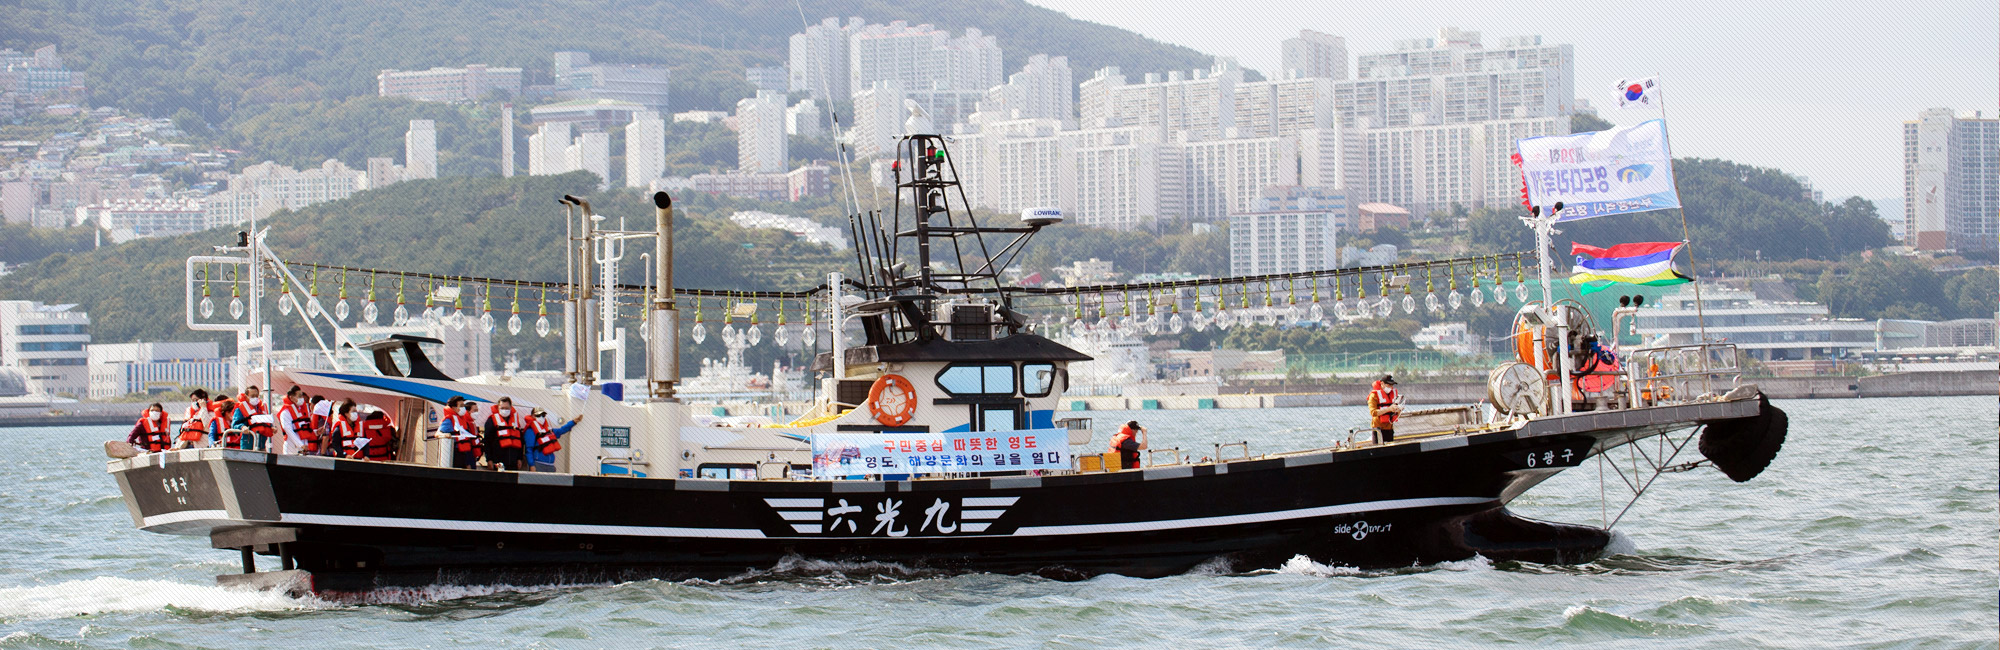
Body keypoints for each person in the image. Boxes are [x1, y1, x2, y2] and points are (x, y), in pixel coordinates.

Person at [524, 408, 581, 472]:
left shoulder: (549, 430)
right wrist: (531, 465)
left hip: (550, 465)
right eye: (538, 415)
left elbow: (561, 430)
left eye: (543, 415)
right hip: (538, 464)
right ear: (532, 416)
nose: (541, 417)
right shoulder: (530, 431)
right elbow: (529, 450)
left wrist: (573, 422)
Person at [481, 397, 526, 471]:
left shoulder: (515, 422)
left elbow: (519, 441)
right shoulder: (491, 421)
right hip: (497, 461)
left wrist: (519, 458)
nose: (504, 410)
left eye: (507, 408)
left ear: (511, 408)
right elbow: (487, 442)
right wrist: (489, 459)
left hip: (513, 461)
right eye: (502, 408)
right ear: (498, 408)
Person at [231, 385, 274, 451]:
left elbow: (266, 422)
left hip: (261, 445)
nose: (255, 398)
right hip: (247, 445)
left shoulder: (261, 408)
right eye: (252, 396)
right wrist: (242, 427)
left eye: (257, 396)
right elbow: (234, 425)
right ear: (246, 396)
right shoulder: (240, 409)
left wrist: (272, 427)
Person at [1368, 374, 1403, 443]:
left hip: (1389, 427)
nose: (1391, 387)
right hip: (1378, 428)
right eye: (1389, 385)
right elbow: (1373, 412)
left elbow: (1396, 411)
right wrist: (1389, 409)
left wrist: (1398, 409)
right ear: (1382, 384)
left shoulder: (1393, 394)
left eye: (1392, 385)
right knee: (1378, 450)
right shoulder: (1373, 395)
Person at [277, 386, 311, 454]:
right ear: (291, 398)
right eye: (299, 396)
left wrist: (316, 432)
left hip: (304, 449)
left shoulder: (303, 412)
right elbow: (288, 430)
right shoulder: (285, 413)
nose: (302, 398)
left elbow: (306, 429)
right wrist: (300, 445)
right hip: (291, 449)